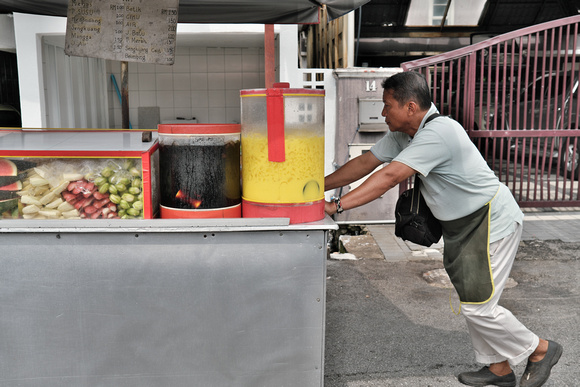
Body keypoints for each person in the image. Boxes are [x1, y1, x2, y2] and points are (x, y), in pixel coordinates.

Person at [324, 71, 562, 387]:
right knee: (472, 298)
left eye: (387, 106)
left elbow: (390, 176)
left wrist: (337, 206)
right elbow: (368, 162)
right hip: (461, 227)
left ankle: (540, 349)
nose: (383, 113)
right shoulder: (403, 135)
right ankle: (498, 369)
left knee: (479, 306)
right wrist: (318, 187)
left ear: (410, 107)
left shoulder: (439, 132)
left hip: (490, 221)